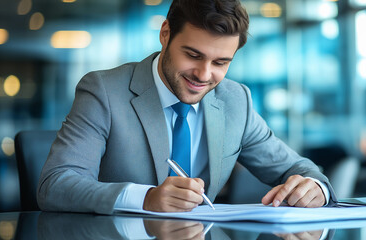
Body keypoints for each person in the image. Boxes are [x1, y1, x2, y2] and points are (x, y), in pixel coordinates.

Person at [37, 0, 336, 214]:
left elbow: (300, 169)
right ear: (165, 33)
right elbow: (56, 184)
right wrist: (146, 198)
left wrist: (314, 188)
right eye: (193, 55)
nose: (204, 75)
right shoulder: (104, 91)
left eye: (221, 63)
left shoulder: (236, 101)